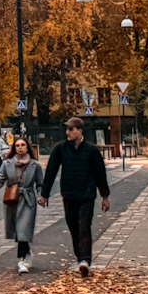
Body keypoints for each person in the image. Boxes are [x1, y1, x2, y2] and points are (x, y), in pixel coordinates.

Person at [39, 117, 110, 276]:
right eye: (67, 129)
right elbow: (51, 171)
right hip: (69, 194)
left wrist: (104, 196)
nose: (68, 132)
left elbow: (100, 174)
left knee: (84, 226)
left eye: (71, 129)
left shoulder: (91, 151)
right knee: (74, 227)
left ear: (79, 131)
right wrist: (45, 194)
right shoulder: (61, 149)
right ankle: (80, 258)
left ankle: (85, 260)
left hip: (86, 195)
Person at [0, 137, 44, 273]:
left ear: (27, 147)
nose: (20, 147)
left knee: (24, 228)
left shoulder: (34, 165)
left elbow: (40, 184)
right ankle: (27, 252)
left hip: (28, 199)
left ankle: (22, 260)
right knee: (18, 230)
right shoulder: (7, 164)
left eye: (23, 145)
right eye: (17, 145)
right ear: (14, 148)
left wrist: (41, 196)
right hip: (12, 199)